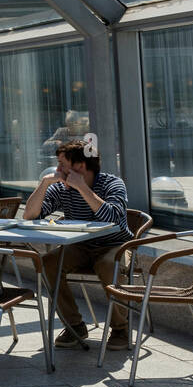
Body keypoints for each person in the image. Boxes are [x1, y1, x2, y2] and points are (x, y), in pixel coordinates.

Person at [24, 141, 133, 351]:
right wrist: (44, 184)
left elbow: (111, 217)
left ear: (80, 167)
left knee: (109, 265)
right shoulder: (61, 188)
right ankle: (74, 326)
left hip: (114, 244)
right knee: (47, 263)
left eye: (62, 165)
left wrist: (82, 187)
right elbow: (30, 215)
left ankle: (121, 328)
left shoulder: (113, 184)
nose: (58, 170)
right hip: (81, 245)